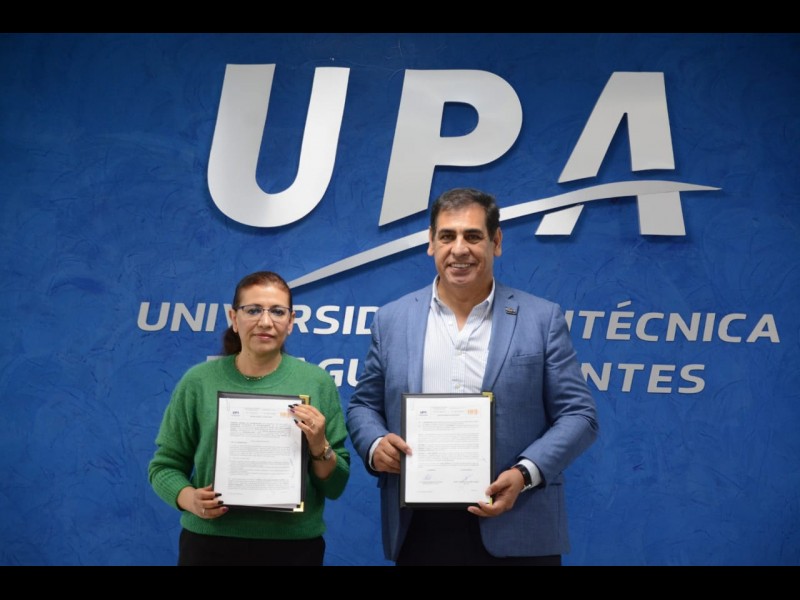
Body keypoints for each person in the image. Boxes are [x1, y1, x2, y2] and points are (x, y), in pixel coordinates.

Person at [346, 188, 599, 566]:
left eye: (473, 236)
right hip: (420, 528)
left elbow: (579, 415)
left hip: (519, 520)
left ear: (496, 242)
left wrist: (525, 473)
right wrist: (375, 443)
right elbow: (363, 405)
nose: (459, 249)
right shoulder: (392, 319)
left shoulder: (541, 318)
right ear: (431, 243)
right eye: (447, 236)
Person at [148, 270, 350, 566]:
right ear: (234, 318)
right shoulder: (198, 381)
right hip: (209, 545)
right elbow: (164, 466)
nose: (265, 321)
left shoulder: (317, 383)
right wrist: (188, 498)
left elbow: (336, 486)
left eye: (277, 311)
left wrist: (320, 445)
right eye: (253, 310)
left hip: (294, 549)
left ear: (291, 321)